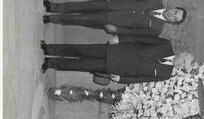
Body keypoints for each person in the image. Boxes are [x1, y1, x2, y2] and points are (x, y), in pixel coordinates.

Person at [40, 35, 192, 86]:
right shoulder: (166, 45)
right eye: (183, 61)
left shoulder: (166, 74)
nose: (180, 65)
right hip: (116, 50)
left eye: (183, 67)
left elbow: (141, 79)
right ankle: (49, 49)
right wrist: (120, 39)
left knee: (81, 65)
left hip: (116, 67)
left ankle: (51, 63)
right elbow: (141, 38)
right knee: (81, 49)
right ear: (182, 54)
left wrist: (121, 79)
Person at [42, 0, 187, 35]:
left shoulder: (156, 29)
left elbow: (133, 33)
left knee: (82, 19)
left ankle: (52, 19)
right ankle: (52, 7)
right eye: (175, 12)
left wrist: (116, 30)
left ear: (172, 22)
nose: (172, 15)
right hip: (112, 3)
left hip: (113, 21)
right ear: (174, 7)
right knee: (82, 5)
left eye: (174, 18)